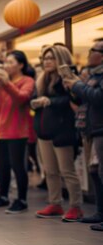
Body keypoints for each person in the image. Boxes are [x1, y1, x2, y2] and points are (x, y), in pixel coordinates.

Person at [32, 45, 82, 221]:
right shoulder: (42, 79)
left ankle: (76, 206)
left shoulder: (67, 78)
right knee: (50, 171)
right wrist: (36, 103)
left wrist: (50, 101)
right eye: (45, 58)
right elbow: (33, 99)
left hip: (63, 130)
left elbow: (74, 99)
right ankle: (55, 203)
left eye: (51, 58)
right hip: (44, 130)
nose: (47, 62)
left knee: (67, 170)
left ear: (60, 59)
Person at [0, 50, 35, 213]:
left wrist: (7, 83)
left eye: (10, 62)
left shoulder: (27, 81)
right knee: (2, 165)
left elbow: (22, 98)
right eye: (5, 62)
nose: (6, 65)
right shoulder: (3, 81)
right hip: (0, 127)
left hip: (17, 129)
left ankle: (22, 199)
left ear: (21, 65)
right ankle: (3, 196)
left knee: (18, 165)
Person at [63, 39, 103, 230]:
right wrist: (73, 87)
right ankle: (100, 212)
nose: (88, 53)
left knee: (101, 171)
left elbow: (97, 98)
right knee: (95, 171)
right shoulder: (93, 75)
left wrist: (78, 86)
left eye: (92, 50)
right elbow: (83, 98)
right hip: (91, 129)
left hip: (100, 129)